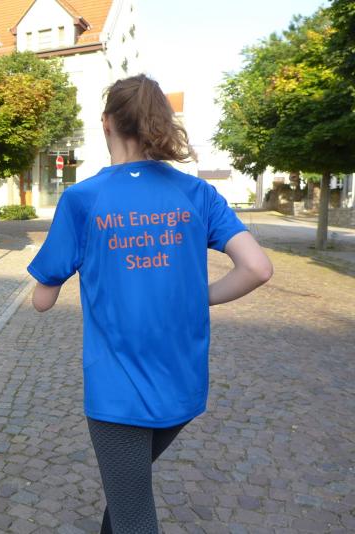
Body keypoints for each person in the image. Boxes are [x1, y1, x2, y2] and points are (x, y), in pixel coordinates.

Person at [27, 74, 273, 533]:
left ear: (106, 123)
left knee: (133, 514)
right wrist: (198, 298)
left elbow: (42, 299)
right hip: (183, 386)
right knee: (126, 494)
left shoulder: (82, 198)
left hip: (117, 390)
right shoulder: (197, 193)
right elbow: (257, 268)